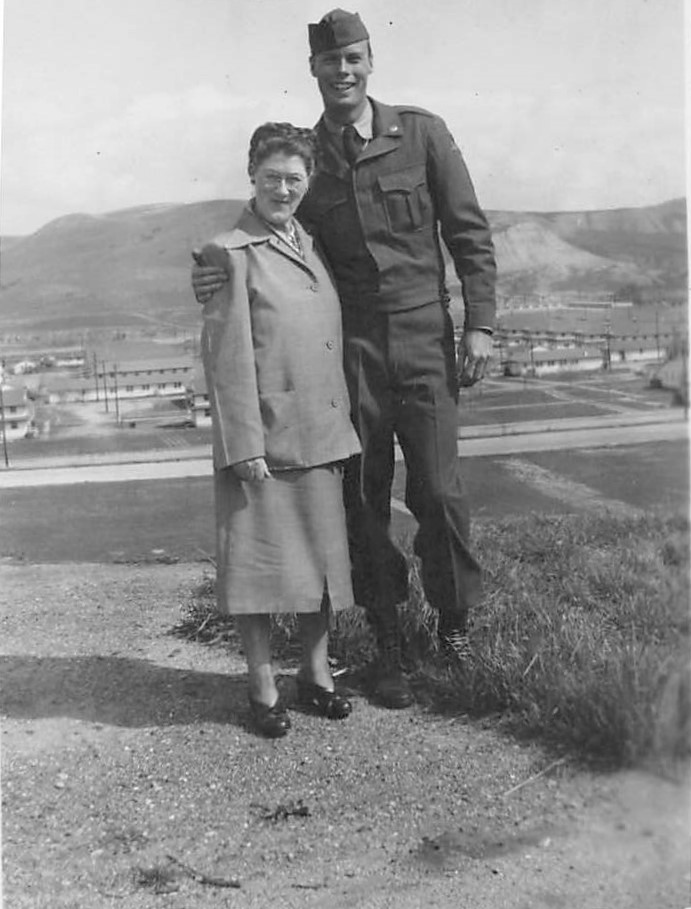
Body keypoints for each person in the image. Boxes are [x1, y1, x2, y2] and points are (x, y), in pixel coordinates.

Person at [193, 10, 497, 711]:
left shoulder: (420, 133)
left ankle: (454, 628)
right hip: (351, 349)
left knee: (439, 493)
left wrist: (478, 324)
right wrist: (210, 273)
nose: (343, 71)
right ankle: (387, 641)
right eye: (330, 61)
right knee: (362, 500)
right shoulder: (310, 154)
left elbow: (469, 233)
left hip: (423, 338)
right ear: (314, 69)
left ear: (369, 59)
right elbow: (267, 237)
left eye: (354, 57)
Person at [200, 121, 361, 738]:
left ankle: (316, 678)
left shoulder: (309, 242)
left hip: (320, 433)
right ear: (252, 176)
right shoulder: (227, 253)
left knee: (318, 570)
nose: (284, 189)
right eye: (273, 178)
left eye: (296, 178)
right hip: (266, 438)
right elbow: (228, 358)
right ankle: (263, 688)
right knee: (260, 571)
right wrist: (242, 447)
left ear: (308, 182)